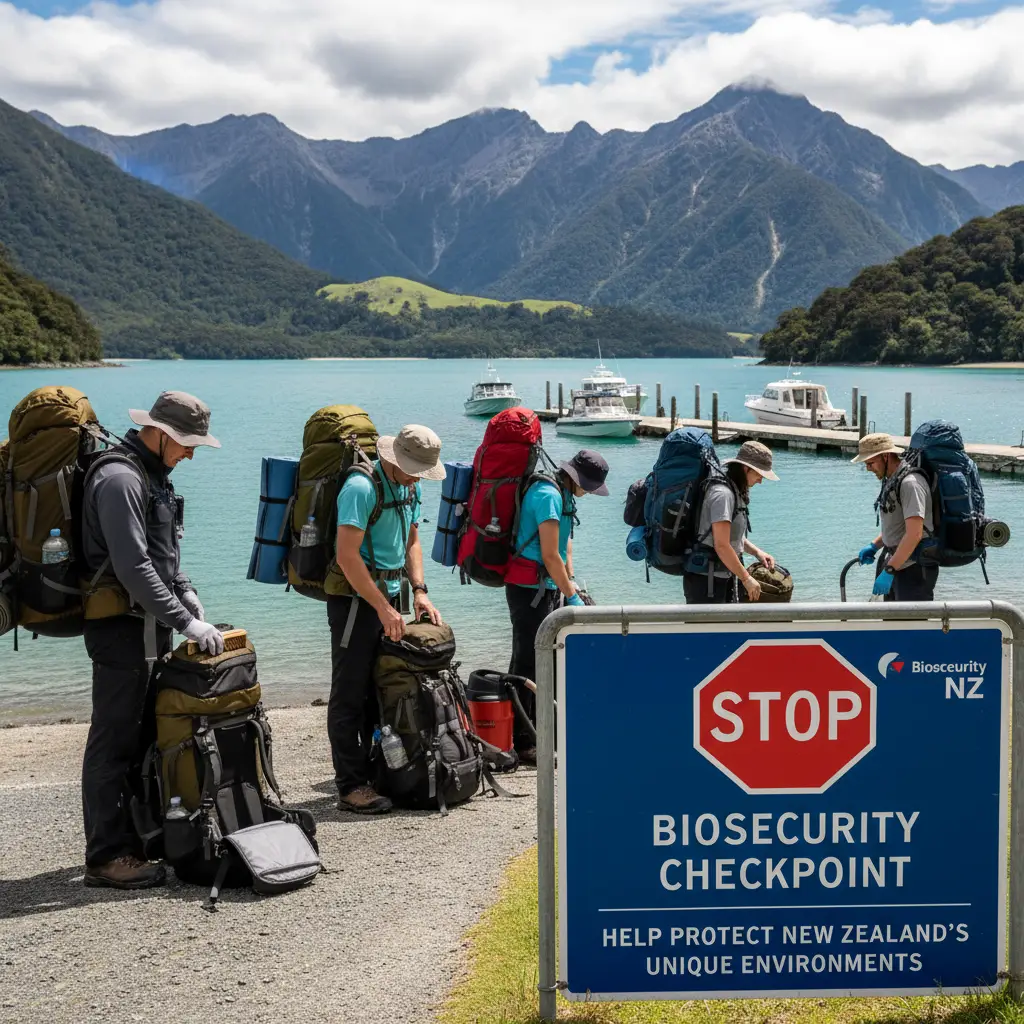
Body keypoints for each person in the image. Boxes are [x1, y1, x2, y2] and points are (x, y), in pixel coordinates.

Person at [80, 391, 223, 890]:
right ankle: (105, 856)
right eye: (186, 444)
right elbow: (132, 566)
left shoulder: (153, 477)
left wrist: (187, 593)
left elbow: (162, 556)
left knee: (142, 734)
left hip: (147, 626)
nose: (190, 453)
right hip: (120, 630)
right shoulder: (119, 478)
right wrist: (187, 624)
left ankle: (138, 841)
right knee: (114, 739)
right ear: (159, 433)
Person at [328, 424, 445, 815]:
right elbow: (346, 556)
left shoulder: (410, 486)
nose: (417, 476)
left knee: (380, 685)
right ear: (394, 458)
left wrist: (420, 590)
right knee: (350, 692)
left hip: (390, 594)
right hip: (354, 601)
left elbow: (412, 540)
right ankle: (350, 786)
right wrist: (380, 605)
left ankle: (377, 771)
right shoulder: (361, 488)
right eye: (413, 467)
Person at [504, 449, 609, 764]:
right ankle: (522, 741)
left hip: (547, 586)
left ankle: (541, 730)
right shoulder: (548, 494)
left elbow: (565, 545)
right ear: (578, 478)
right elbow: (550, 554)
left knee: (545, 659)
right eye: (589, 487)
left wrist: (570, 584)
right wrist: (572, 596)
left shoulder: (564, 494)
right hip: (528, 590)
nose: (589, 493)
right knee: (526, 662)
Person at [684, 440, 779, 605]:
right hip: (707, 582)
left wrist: (757, 552)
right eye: (759, 474)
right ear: (746, 468)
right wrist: (746, 578)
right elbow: (721, 545)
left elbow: (729, 536)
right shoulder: (723, 494)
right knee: (706, 631)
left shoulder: (734, 489)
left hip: (723, 576)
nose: (760, 481)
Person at [852, 433, 937, 601]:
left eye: (870, 462)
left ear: (886, 456)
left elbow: (914, 534)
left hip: (913, 570)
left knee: (911, 626)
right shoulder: (892, 479)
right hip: (896, 564)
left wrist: (890, 570)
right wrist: (874, 545)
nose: (868, 468)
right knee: (892, 625)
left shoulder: (910, 483)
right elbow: (898, 526)